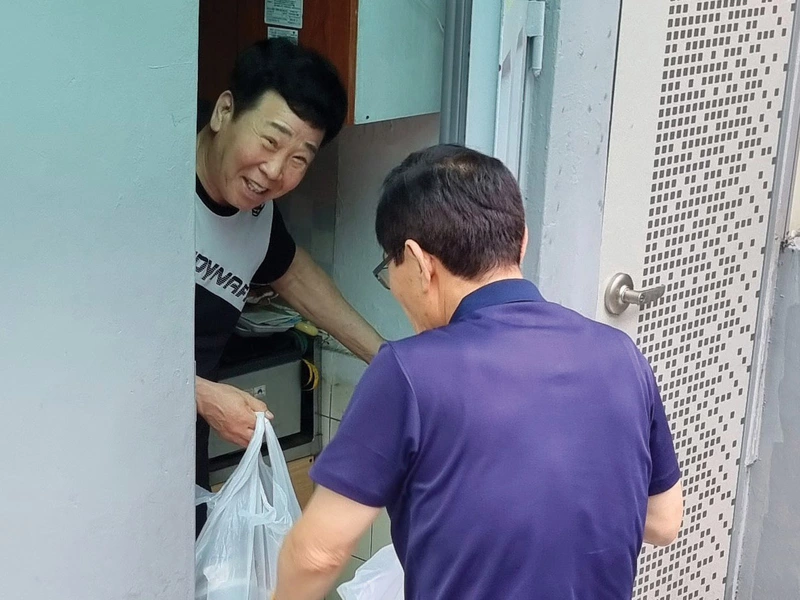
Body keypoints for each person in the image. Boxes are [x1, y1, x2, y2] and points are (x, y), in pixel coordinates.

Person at [273, 145, 684, 599]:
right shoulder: (620, 354)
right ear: (523, 240)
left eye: (387, 268)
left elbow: (318, 553)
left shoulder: (409, 373)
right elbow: (664, 522)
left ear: (417, 260)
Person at [193, 39, 383, 533]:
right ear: (224, 111)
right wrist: (198, 394)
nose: (276, 171)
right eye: (271, 141)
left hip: (175, 449)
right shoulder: (142, 188)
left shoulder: (257, 215)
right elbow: (86, 345)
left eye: (300, 158)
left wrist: (386, 357)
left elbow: (294, 273)